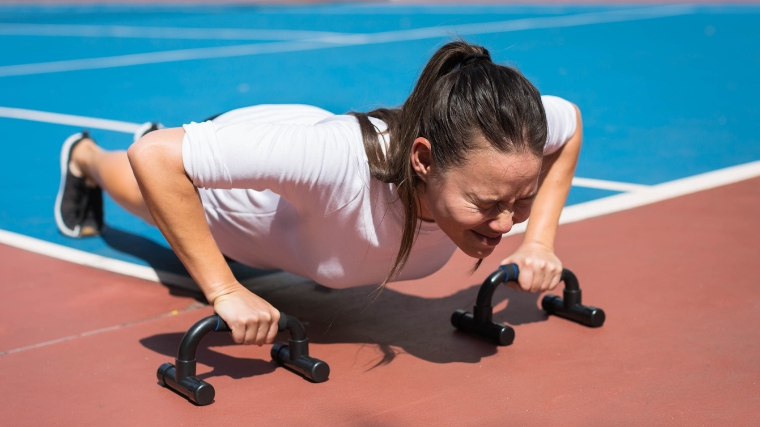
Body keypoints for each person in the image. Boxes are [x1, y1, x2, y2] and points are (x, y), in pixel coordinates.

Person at [55, 40, 581, 347]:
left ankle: (198, 143)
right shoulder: (338, 163)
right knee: (139, 178)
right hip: (234, 196)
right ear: (422, 159)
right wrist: (223, 290)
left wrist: (539, 241)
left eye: (520, 199)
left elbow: (571, 121)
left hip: (296, 165)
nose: (504, 222)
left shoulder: (512, 137)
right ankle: (83, 156)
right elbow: (156, 161)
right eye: (488, 205)